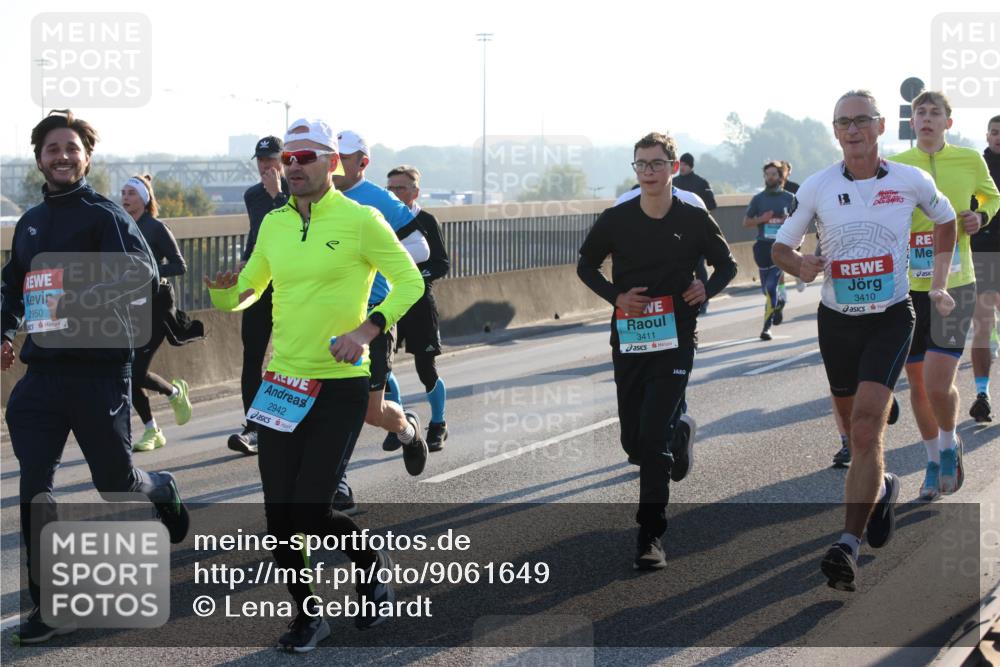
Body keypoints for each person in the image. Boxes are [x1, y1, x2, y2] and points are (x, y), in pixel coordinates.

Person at [205, 117, 424, 651]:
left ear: (331, 161)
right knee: (279, 514)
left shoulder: (361, 219)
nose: (294, 165)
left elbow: (411, 280)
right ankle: (308, 618)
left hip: (341, 384)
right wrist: (225, 292)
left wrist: (367, 329)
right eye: (289, 158)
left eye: (306, 157)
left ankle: (370, 561)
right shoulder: (275, 224)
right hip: (284, 383)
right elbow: (251, 288)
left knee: (311, 508)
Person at [2, 110, 189, 644]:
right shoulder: (31, 223)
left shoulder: (105, 215)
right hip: (42, 378)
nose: (62, 156)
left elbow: (142, 276)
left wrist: (77, 295)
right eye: (52, 148)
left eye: (72, 148)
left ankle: (162, 490)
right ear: (38, 156)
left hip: (99, 373)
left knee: (117, 485)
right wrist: (5, 330)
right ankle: (48, 605)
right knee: (35, 489)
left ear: (87, 156)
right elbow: (13, 287)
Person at [773, 90, 957, 592]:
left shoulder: (909, 179)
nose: (852, 130)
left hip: (891, 316)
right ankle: (885, 485)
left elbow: (946, 221)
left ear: (879, 127)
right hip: (837, 321)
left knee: (867, 427)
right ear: (835, 133)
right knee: (852, 423)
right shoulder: (817, 186)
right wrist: (799, 264)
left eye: (861, 121)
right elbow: (779, 246)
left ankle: (847, 545)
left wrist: (938, 280)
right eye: (843, 123)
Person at [577, 132, 737, 571]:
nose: (648, 172)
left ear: (672, 167)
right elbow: (585, 264)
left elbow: (728, 265)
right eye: (640, 165)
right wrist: (616, 297)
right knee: (633, 441)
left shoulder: (693, 214)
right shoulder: (618, 217)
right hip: (629, 336)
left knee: (651, 439)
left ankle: (650, 535)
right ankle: (679, 432)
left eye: (655, 164)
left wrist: (707, 289)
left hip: (677, 335)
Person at [890, 91, 999, 499]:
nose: (928, 118)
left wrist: (979, 214)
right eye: (921, 112)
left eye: (936, 113)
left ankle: (950, 443)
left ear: (948, 123)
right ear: (913, 122)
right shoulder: (897, 167)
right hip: (908, 287)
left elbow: (992, 195)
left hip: (956, 282)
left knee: (938, 383)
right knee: (917, 382)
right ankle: (933, 460)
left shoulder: (970, 160)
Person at [331, 130, 431, 514]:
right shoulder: (315, 200)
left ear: (362, 162)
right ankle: (337, 485)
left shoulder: (379, 200)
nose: (336, 163)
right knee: (330, 404)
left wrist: (374, 256)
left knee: (371, 411)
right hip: (326, 317)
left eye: (344, 157)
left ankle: (407, 429)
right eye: (331, 156)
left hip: (372, 316)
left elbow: (420, 247)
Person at [120, 174, 195, 451]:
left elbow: (179, 265)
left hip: (157, 307)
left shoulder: (156, 228)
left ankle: (175, 392)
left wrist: (149, 272)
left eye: (131, 193)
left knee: (137, 372)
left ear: (144, 198)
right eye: (123, 192)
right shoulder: (121, 226)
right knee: (128, 372)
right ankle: (153, 431)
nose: (125, 197)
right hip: (129, 307)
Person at [228, 136, 289, 456]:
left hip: (292, 286)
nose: (266, 166)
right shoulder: (252, 195)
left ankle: (280, 421)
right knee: (252, 354)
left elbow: (298, 228)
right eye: (261, 160)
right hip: (261, 285)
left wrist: (278, 194)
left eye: (271, 159)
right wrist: (246, 258)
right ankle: (253, 425)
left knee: (287, 357)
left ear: (285, 160)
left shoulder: (296, 192)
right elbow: (259, 234)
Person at [384, 165, 451, 451]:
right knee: (381, 367)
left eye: (400, 188)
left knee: (425, 368)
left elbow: (441, 263)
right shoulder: (380, 219)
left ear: (415, 192)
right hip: (387, 302)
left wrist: (414, 278)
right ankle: (397, 421)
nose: (394, 193)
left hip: (419, 303)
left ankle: (438, 424)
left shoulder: (426, 220)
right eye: (391, 188)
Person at [969, 114, 1000, 422]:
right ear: (987, 135)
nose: (998, 137)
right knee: (983, 325)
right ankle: (982, 393)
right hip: (982, 255)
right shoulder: (976, 167)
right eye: (994, 133)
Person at [743, 161, 795, 340]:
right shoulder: (758, 199)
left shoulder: (789, 198)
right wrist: (762, 219)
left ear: (781, 177)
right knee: (766, 290)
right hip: (762, 247)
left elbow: (802, 220)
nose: (770, 177)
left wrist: (788, 220)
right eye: (767, 174)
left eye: (774, 174)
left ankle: (766, 328)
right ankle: (779, 302)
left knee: (772, 286)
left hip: (781, 247)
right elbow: (746, 222)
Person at [673, 153, 718, 314]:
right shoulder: (673, 183)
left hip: (697, 231)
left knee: (699, 265)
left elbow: (712, 204)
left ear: (691, 166)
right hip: (674, 232)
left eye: (686, 164)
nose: (683, 167)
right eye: (681, 164)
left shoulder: (701, 182)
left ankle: (703, 299)